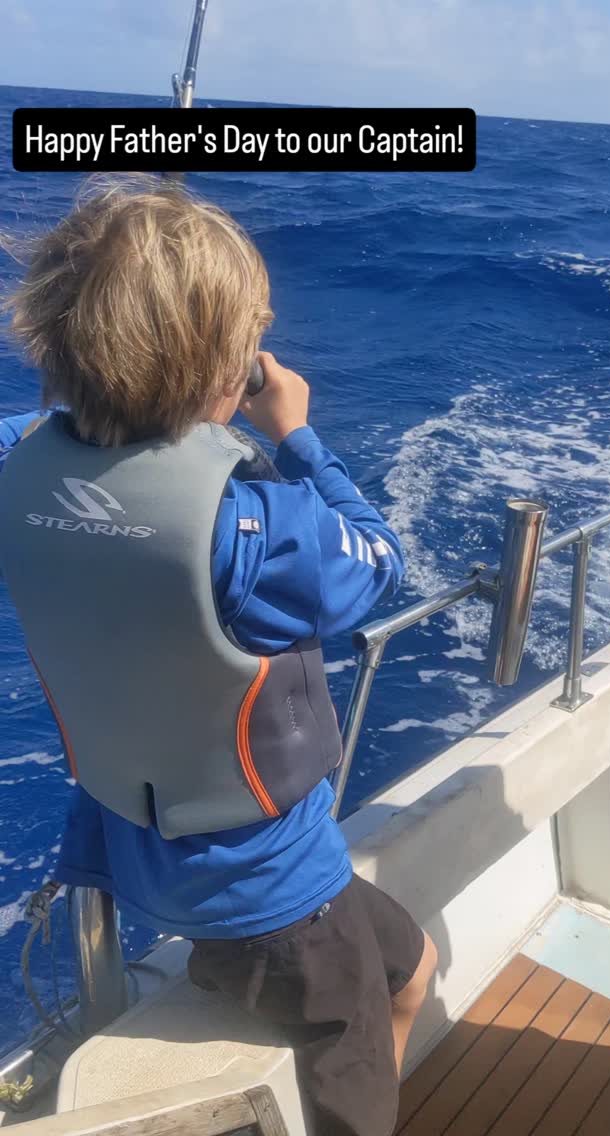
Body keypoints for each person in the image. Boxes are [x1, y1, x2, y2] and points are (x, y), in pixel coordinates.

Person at [0, 177, 436, 1136]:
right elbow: (380, 563)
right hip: (276, 895)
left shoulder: (15, 467)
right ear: (223, 374)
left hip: (125, 851)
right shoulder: (255, 532)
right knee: (357, 1096)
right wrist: (298, 435)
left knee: (416, 962)